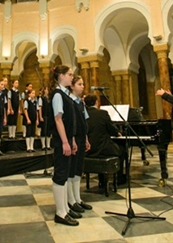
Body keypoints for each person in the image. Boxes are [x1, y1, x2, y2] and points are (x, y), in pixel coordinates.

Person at [48, 65, 79, 226]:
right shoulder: (58, 95)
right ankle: (60, 213)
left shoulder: (65, 94)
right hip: (61, 140)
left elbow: (69, 122)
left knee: (66, 173)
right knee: (60, 174)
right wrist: (65, 142)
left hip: (67, 139)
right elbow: (58, 119)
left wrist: (72, 140)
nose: (71, 77)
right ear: (60, 76)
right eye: (69, 74)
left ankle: (65, 208)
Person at [84, 94, 125, 185]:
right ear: (96, 102)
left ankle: (102, 180)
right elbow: (111, 129)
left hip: (87, 150)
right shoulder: (102, 113)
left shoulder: (83, 114)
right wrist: (117, 133)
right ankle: (120, 178)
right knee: (122, 150)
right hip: (102, 148)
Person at [67, 75, 92, 216]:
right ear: (72, 86)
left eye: (83, 84)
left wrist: (86, 139)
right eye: (80, 84)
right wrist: (73, 139)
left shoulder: (81, 103)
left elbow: (84, 122)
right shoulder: (69, 101)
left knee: (78, 169)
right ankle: (71, 200)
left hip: (82, 138)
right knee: (71, 170)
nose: (83, 86)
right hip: (74, 138)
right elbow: (71, 123)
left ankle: (78, 198)